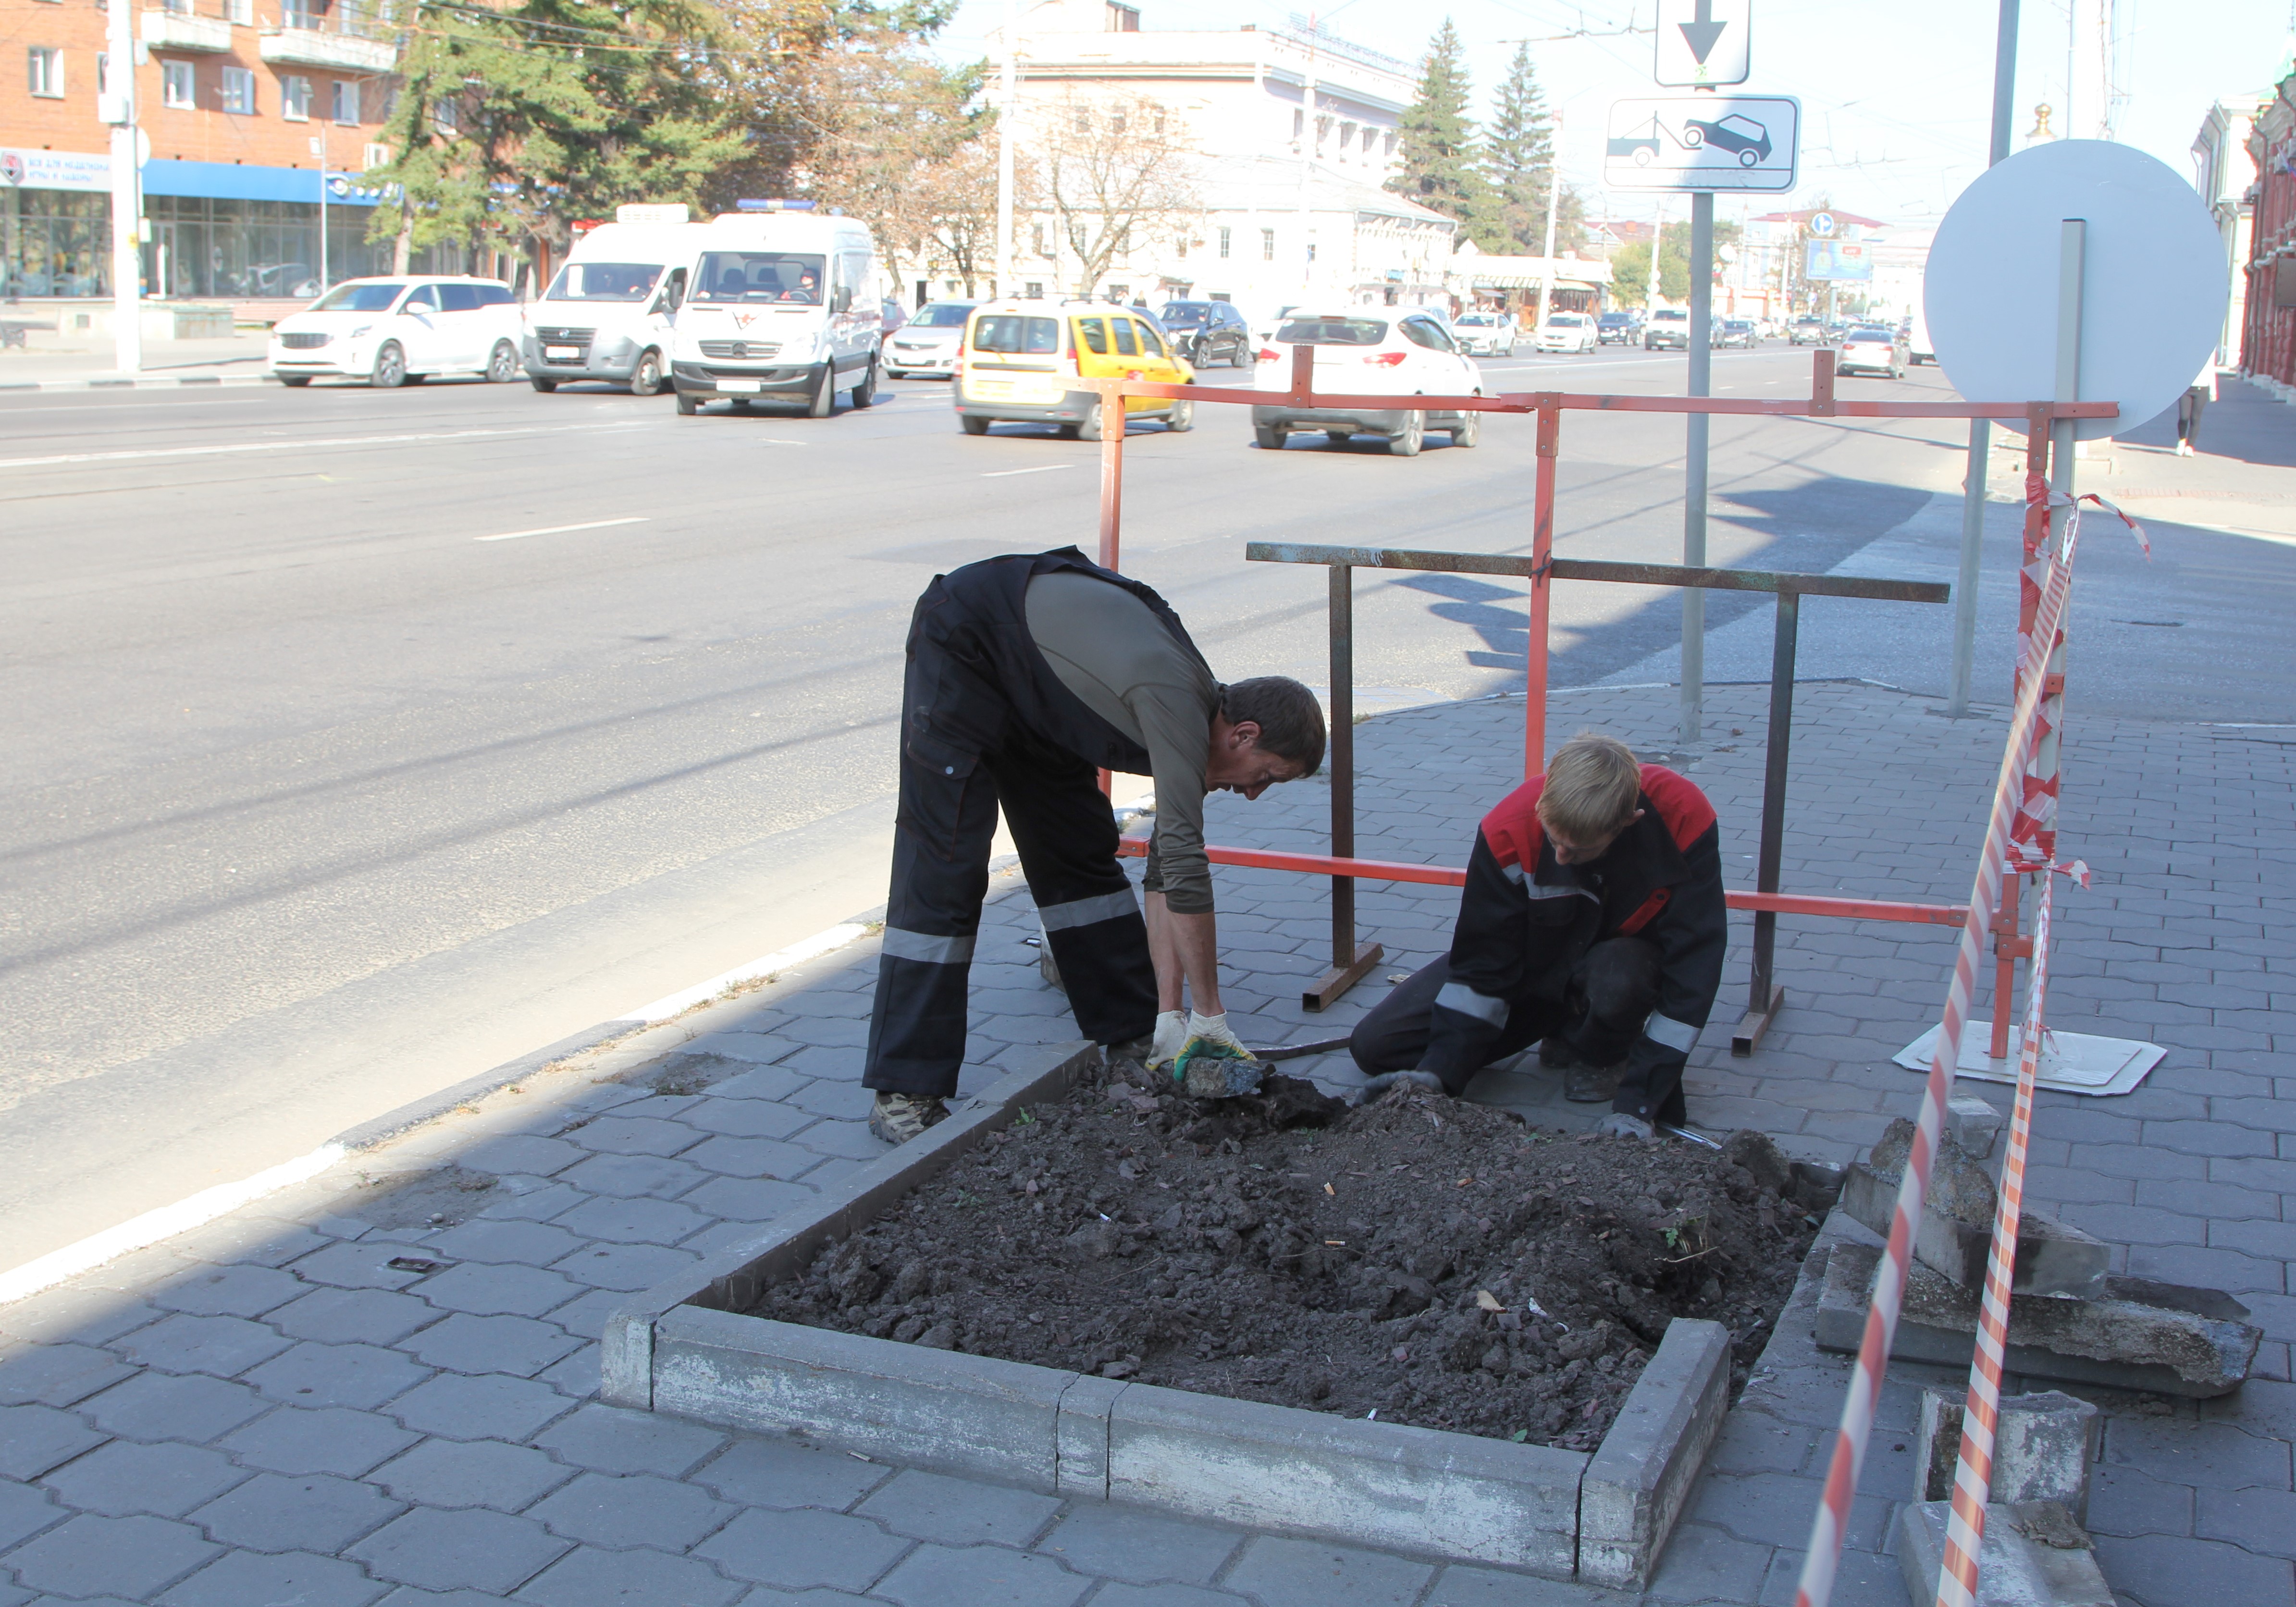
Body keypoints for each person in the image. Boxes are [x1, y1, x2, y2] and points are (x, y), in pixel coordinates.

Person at [863, 547, 1326, 1144]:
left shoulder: (1206, 727)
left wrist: (1170, 1019)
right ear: (1244, 734)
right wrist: (1209, 1019)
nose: (1255, 794)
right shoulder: (1176, 704)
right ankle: (904, 1090)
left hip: (1042, 688)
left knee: (1076, 846)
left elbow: (1166, 867)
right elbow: (1186, 869)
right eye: (1266, 775)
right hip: (968, 641)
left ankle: (1137, 1031)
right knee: (944, 866)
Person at [1347, 732, 1726, 1140]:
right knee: (1376, 1047)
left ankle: (1604, 1048)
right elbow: (1482, 964)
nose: (1561, 857)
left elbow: (1694, 966)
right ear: (1543, 800)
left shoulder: (1682, 816)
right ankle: (1564, 1023)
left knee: (1620, 975)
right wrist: (1440, 1075)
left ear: (1627, 822)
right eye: (1553, 839)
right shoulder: (1507, 828)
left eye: (1578, 851)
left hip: (1619, 967)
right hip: (1533, 964)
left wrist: (1641, 1101)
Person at [2176, 354, 2217, 457]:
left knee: (2195, 418)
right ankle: (2182, 440)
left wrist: (2213, 391)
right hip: (2185, 389)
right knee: (2184, 417)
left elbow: (2211, 369)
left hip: (2202, 388)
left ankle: (2190, 446)